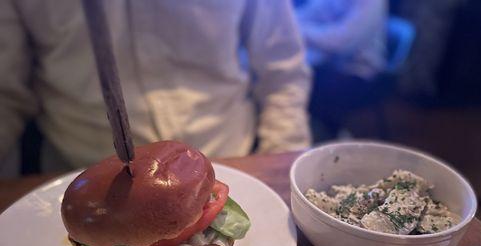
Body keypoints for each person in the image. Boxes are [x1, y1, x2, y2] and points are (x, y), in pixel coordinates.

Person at [0, 0, 311, 176]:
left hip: (233, 161)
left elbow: (282, 70)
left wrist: (282, 164)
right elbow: (6, 95)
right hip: (79, 174)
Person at [297, 0, 387, 140]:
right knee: (298, 78)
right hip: (330, 64)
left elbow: (343, 42)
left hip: (359, 73)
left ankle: (333, 137)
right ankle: (321, 134)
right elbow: (304, 16)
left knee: (302, 85)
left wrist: (296, 30)